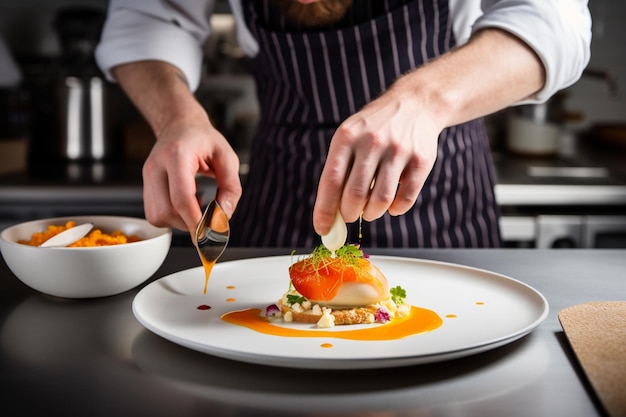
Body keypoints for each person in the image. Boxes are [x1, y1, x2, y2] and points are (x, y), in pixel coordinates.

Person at [95, 0, 591, 248]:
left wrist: (425, 99)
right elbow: (149, 17)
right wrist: (178, 116)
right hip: (280, 206)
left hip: (445, 211)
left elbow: (554, 17)